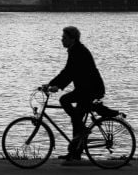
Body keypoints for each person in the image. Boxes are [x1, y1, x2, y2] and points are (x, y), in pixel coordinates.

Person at [40, 26, 105, 161]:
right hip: (84, 89)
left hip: (90, 89)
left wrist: (56, 86)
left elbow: (70, 72)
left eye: (64, 38)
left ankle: (82, 132)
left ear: (72, 39)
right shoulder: (75, 50)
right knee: (76, 119)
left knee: (64, 101)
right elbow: (68, 71)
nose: (61, 40)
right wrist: (52, 84)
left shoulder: (78, 51)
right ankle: (75, 154)